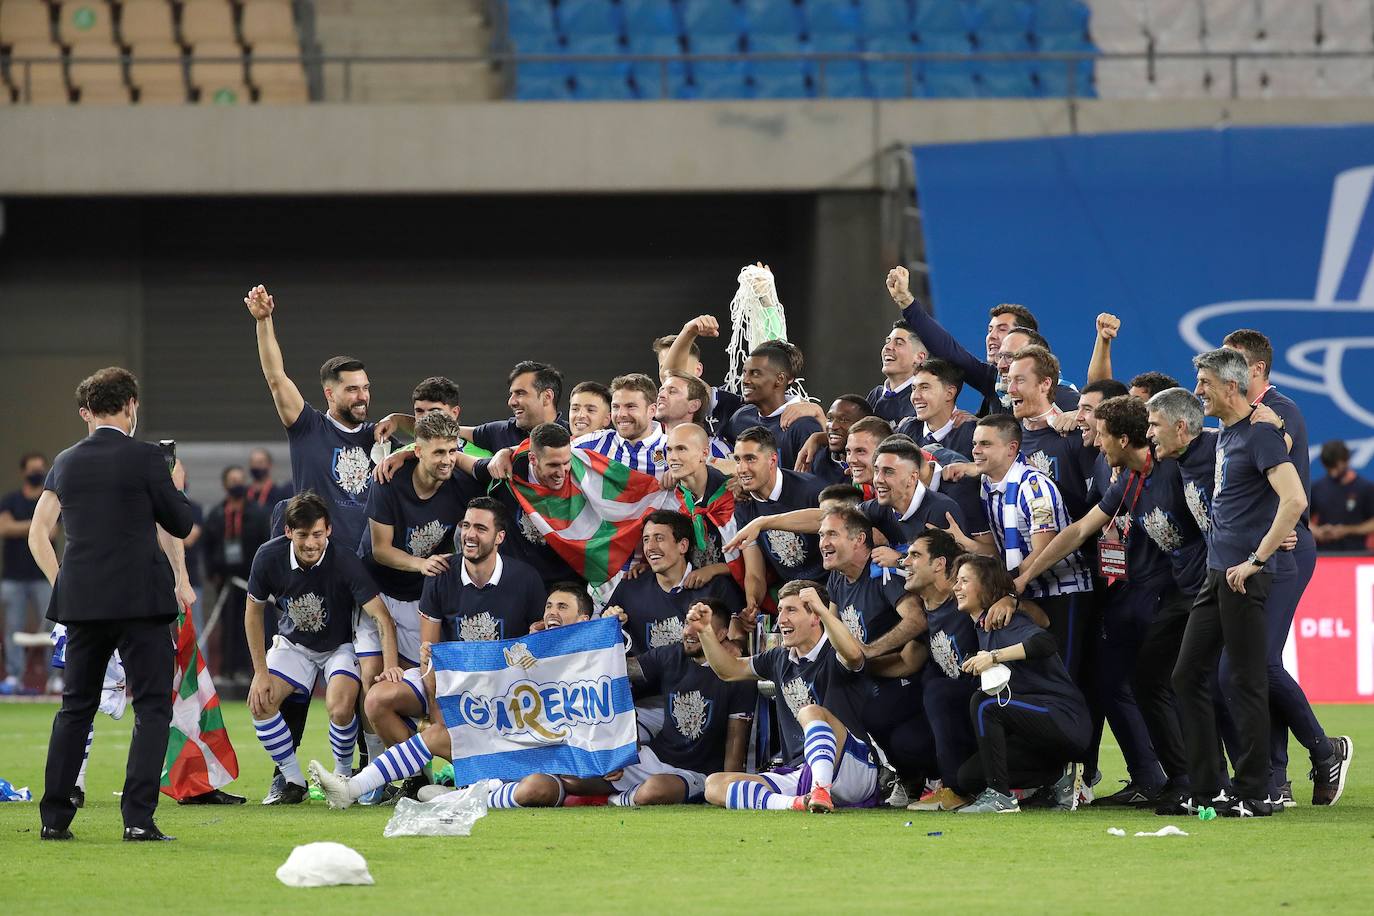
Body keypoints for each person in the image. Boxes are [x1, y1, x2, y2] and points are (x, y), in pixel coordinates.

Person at [29, 367, 194, 842]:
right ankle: (138, 819)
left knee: (74, 709)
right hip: (141, 602)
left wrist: (64, 582)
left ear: (88, 411)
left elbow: (40, 533)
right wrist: (172, 481)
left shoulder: (65, 461)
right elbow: (179, 523)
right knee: (151, 710)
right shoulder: (146, 459)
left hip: (82, 603)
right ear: (131, 406)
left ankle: (54, 819)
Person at [312, 499, 546, 808]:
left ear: (500, 537)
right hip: (450, 687)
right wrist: (439, 714)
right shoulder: (441, 575)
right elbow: (430, 656)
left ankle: (451, 788)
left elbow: (540, 657)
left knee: (458, 746)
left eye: (480, 528)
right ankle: (422, 778)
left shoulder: (526, 580)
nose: (470, 535)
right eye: (465, 526)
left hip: (504, 701)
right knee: (377, 699)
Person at [1014, 396, 1187, 806]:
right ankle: (1163, 779)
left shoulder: (1176, 469)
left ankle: (1212, 780)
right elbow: (1078, 531)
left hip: (1183, 594)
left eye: (1103, 434)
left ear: (1124, 439)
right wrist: (1026, 574)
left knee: (1180, 685)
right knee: (1123, 684)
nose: (1095, 444)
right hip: (1137, 592)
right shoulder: (1127, 480)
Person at [1169, 348, 1310, 818]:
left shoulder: (1262, 434)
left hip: (1245, 576)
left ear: (1232, 386)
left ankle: (1259, 791)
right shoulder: (1229, 434)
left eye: (1204, 383)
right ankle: (1209, 787)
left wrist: (1257, 558)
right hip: (1217, 573)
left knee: (1246, 682)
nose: (1198, 392)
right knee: (1188, 675)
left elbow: (1293, 499)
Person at [1222, 329, 1352, 807]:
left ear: (1256, 369)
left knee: (1256, 663)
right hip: (1257, 551)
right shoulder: (1240, 420)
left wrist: (1273, 533)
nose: (1220, 367)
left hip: (1284, 551)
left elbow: (1286, 492)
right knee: (1252, 664)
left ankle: (1322, 750)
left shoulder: (1281, 414)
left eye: (1230, 359)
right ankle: (1277, 776)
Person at [492, 598, 755, 809]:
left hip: (694, 772)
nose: (687, 632)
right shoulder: (671, 655)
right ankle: (496, 787)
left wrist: (726, 786)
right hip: (654, 758)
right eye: (687, 623)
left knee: (654, 790)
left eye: (698, 626)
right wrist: (596, 637)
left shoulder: (738, 676)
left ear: (720, 634)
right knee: (574, 777)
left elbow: (736, 741)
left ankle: (609, 800)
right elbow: (617, 670)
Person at [244, 492, 402, 805]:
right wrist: (260, 672)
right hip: (294, 644)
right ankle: (292, 780)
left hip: (339, 646)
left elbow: (381, 616)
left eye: (317, 534)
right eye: (302, 535)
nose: (310, 543)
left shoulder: (344, 560)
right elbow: (252, 612)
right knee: (261, 702)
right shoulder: (267, 556)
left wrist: (390, 664)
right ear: (288, 532)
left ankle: (342, 779)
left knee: (341, 707)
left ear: (328, 530)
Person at [356, 411, 479, 789]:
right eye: (438, 452)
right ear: (418, 451)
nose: (447, 459)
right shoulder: (388, 481)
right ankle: (395, 776)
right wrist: (422, 563)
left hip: (422, 603)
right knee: (369, 687)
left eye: (452, 451)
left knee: (428, 690)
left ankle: (436, 773)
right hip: (379, 594)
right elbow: (380, 550)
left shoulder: (459, 482)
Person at [694, 580, 882, 813]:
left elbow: (854, 655)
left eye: (791, 610)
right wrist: (705, 633)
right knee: (714, 785)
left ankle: (820, 790)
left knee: (810, 711)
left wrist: (824, 610)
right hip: (801, 772)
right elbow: (729, 670)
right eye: (780, 609)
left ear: (815, 618)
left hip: (853, 767)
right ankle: (796, 803)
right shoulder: (778, 658)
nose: (781, 619)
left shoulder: (834, 650)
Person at [954, 414, 1094, 681]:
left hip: (1063, 591)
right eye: (974, 444)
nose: (975, 450)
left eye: (985, 444)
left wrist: (1009, 592)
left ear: (1011, 449)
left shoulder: (1033, 488)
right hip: (1025, 590)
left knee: (1063, 677)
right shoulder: (987, 483)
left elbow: (1045, 550)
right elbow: (1000, 552)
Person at [952, 554, 1090, 814]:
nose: (956, 587)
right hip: (1036, 730)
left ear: (987, 587)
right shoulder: (983, 626)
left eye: (964, 580)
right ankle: (1059, 777)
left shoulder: (1006, 622)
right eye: (956, 581)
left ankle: (1000, 797)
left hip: (1064, 719)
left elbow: (1045, 642)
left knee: (985, 703)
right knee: (968, 777)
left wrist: (993, 656)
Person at [885, 266, 1078, 414]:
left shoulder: (1059, 392)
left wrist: (1075, 417)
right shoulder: (993, 380)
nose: (992, 336)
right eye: (989, 329)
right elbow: (950, 351)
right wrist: (906, 302)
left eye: (1003, 330)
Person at [603, 510, 744, 654]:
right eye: (646, 539)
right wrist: (608, 621)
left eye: (659, 538)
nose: (650, 547)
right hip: (642, 676)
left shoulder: (717, 588)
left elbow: (738, 639)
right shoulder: (630, 587)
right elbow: (601, 639)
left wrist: (735, 645)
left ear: (682, 545)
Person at [730, 426, 826, 611]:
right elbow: (755, 573)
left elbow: (832, 520)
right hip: (791, 599)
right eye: (737, 460)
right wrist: (752, 604)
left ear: (772, 460)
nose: (741, 469)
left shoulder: (811, 489)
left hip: (830, 590)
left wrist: (763, 522)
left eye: (750, 459)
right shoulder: (744, 505)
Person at [202, 465, 272, 682]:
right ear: (225, 484)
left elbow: (267, 543)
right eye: (233, 480)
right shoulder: (216, 514)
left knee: (253, 622)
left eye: (240, 480)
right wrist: (212, 572)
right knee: (227, 624)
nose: (237, 484)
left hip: (251, 580)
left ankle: (250, 670)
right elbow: (208, 545)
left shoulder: (258, 513)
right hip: (225, 580)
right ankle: (226, 669)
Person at [725, 339, 824, 470]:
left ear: (780, 379)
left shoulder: (803, 426)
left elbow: (813, 483)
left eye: (755, 373)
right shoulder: (741, 417)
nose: (745, 380)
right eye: (744, 372)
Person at [663, 424, 739, 588]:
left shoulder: (733, 494)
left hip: (736, 589)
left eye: (681, 449)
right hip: (697, 594)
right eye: (669, 450)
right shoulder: (671, 500)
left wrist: (714, 570)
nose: (672, 457)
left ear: (704, 454)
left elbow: (756, 560)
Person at [2, 452, 52, 693]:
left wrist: (21, 526)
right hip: (14, 577)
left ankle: (56, 678)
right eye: (33, 469)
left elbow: (51, 532)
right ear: (24, 472)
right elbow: (4, 528)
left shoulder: (49, 498)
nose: (37, 473)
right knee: (14, 627)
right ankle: (14, 676)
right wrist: (35, 526)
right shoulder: (10, 500)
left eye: (40, 469)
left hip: (44, 577)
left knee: (53, 629)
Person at [573, 374, 669, 475]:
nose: (621, 414)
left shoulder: (672, 448)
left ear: (652, 410)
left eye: (630, 406)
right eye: (616, 407)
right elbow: (557, 455)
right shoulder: (594, 443)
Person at [465, 361, 567, 452]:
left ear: (547, 397)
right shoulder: (501, 432)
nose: (511, 402)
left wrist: (507, 452)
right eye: (511, 394)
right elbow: (454, 431)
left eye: (520, 393)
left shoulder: (575, 438)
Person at [896, 358, 976, 457]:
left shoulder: (974, 435)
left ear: (949, 393)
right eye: (913, 388)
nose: (915, 396)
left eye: (925, 387)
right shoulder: (906, 430)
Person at [1311, 440, 1374, 551]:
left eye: (1336, 466)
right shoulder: (1317, 488)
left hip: (1356, 554)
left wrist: (1347, 530)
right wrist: (1317, 531)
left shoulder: (1365, 488)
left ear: (1347, 461)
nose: (1333, 472)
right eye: (1329, 467)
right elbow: (1303, 519)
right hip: (1323, 554)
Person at [657, 372, 733, 460]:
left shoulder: (716, 450)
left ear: (693, 406)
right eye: (661, 390)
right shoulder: (644, 442)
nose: (661, 395)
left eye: (672, 391)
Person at [866, 321, 928, 424]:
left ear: (919, 357)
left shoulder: (923, 400)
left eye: (899, 343)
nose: (887, 347)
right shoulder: (875, 395)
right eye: (887, 341)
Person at [805, 395, 871, 485]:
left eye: (844, 420)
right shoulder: (816, 461)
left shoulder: (875, 468)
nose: (833, 426)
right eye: (830, 418)